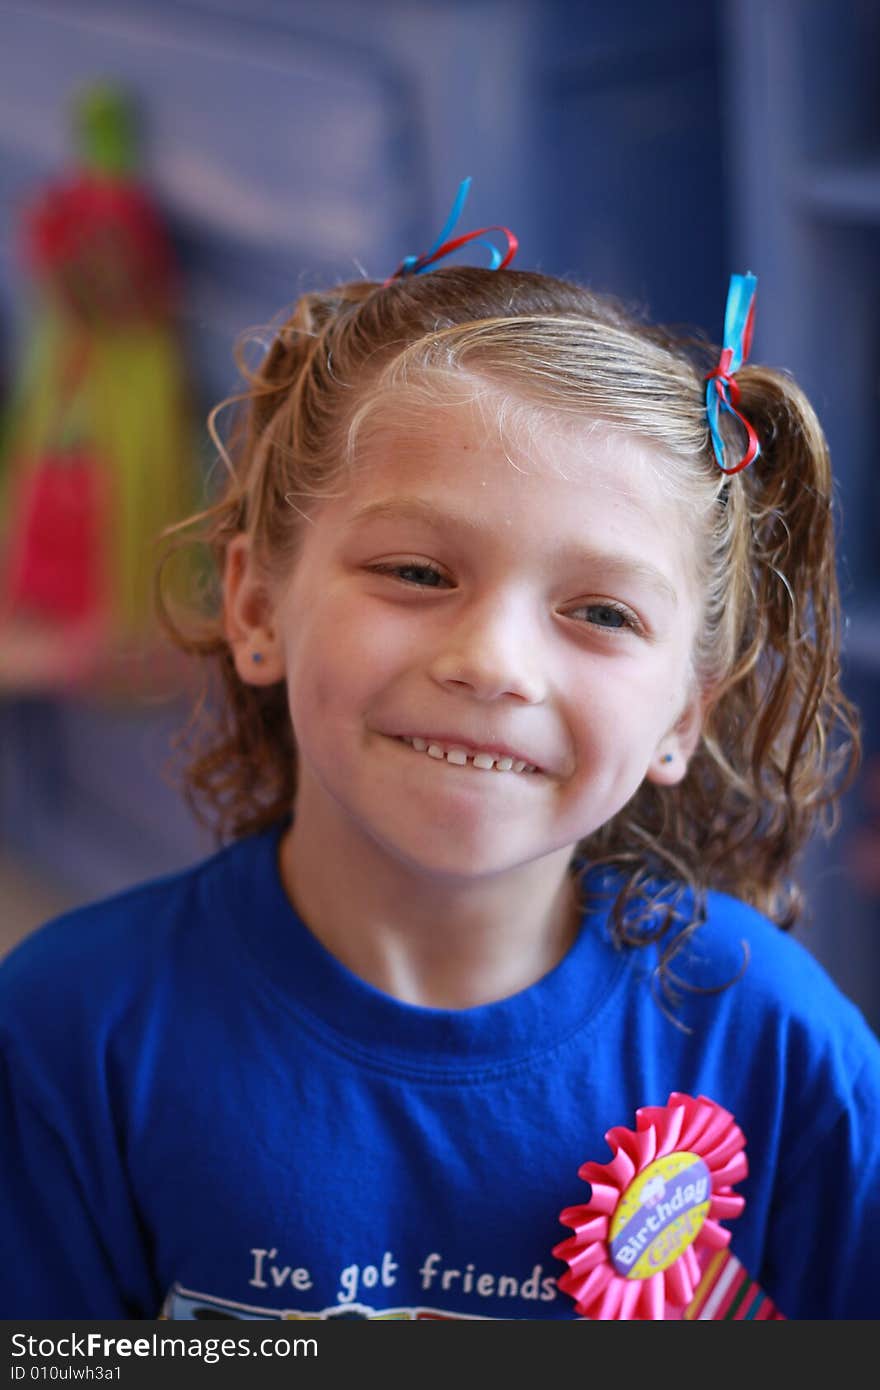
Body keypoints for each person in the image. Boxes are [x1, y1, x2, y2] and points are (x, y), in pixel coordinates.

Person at [2, 184, 879, 1322]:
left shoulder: (776, 1041)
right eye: (418, 573)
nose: (493, 662)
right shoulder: (73, 1027)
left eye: (602, 614)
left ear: (681, 716)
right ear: (256, 605)